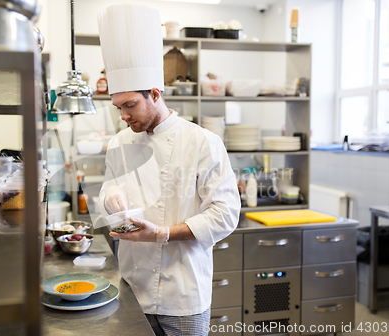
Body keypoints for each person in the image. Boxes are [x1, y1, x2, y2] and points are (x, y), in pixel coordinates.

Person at [97, 4, 241, 335]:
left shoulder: (202, 142)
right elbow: (107, 190)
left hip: (183, 294)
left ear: (155, 94)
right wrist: (112, 199)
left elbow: (225, 214)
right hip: (131, 288)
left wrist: (162, 234)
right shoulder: (119, 142)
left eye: (130, 105)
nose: (124, 116)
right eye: (118, 107)